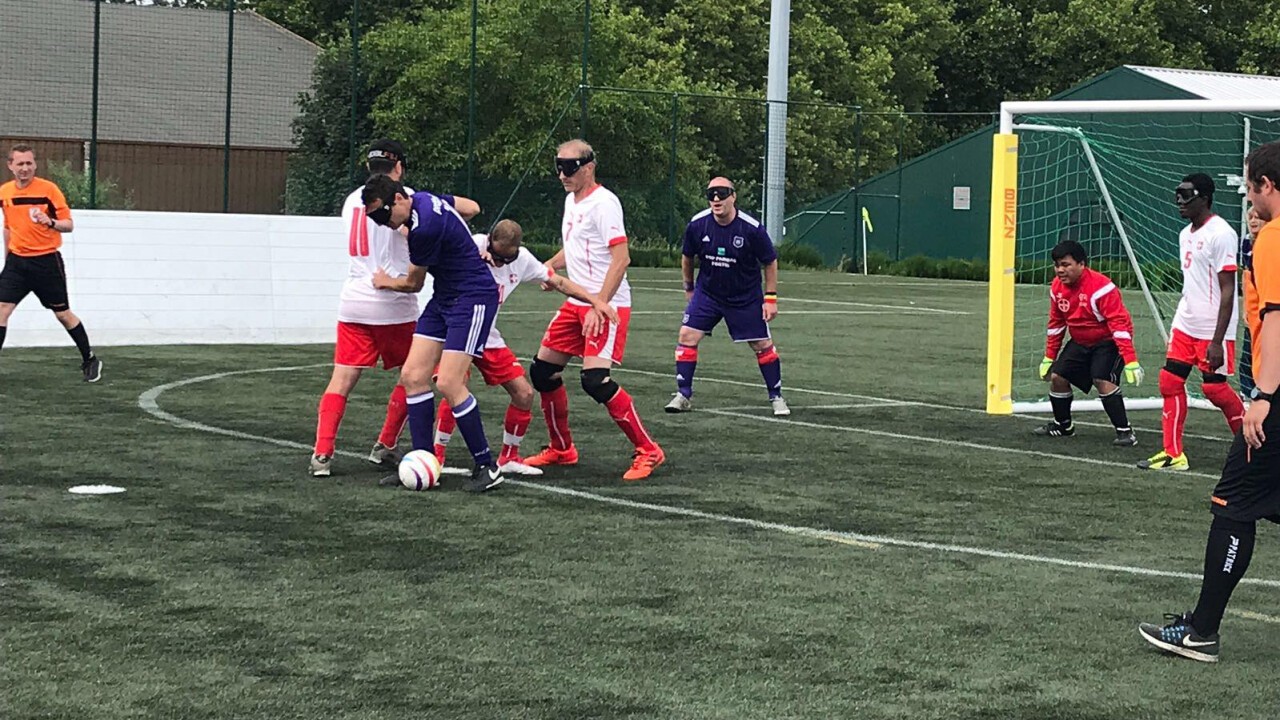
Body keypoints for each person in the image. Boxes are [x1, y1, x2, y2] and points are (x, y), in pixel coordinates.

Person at [1138, 140, 1280, 663]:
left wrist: (1262, 395)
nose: (1250, 201)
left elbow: (1276, 321)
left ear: (1266, 186)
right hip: (1240, 363)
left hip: (1275, 393)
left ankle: (1201, 632)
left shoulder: (1269, 239)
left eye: (1251, 188)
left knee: (1232, 506)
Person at [309, 140, 480, 477]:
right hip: (394, 302)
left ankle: (322, 454)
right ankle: (386, 444)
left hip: (353, 302)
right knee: (416, 375)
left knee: (341, 379)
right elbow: (470, 209)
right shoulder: (405, 199)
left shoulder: (351, 201)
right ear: (398, 168)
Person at [523, 139, 665, 481]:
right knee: (542, 372)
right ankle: (562, 449)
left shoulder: (605, 203)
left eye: (569, 168)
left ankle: (649, 450)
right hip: (578, 302)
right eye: (557, 166)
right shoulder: (572, 201)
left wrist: (600, 304)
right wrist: (549, 268)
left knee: (595, 381)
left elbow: (622, 258)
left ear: (589, 166)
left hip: (607, 304)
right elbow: (573, 247)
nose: (561, 175)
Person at [433, 219, 618, 475]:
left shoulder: (523, 259)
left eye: (506, 260)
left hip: (488, 334)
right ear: (489, 241)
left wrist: (595, 301)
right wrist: (471, 256)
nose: (499, 263)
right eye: (496, 256)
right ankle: (437, 457)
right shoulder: (472, 244)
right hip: (457, 326)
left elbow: (560, 283)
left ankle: (509, 457)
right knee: (455, 386)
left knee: (524, 393)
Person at [362, 174, 503, 493]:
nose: (382, 223)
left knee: (450, 381)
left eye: (383, 215)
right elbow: (466, 208)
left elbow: (413, 284)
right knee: (412, 376)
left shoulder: (423, 230)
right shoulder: (423, 199)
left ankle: (486, 466)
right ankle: (424, 460)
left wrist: (385, 281)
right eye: (374, 219)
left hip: (472, 296)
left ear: (398, 199)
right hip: (446, 296)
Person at [1138, 174, 1244, 472]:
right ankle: (1173, 454)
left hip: (1213, 328)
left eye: (1187, 195)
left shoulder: (1221, 233)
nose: (1179, 201)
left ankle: (1252, 449)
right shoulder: (1185, 234)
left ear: (1205, 198)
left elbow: (1228, 290)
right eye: (1177, 194)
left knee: (1214, 389)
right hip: (1185, 323)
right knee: (1169, 381)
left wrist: (1217, 340)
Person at [665, 177, 788, 415]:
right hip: (708, 294)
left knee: (762, 344)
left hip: (745, 296)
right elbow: (687, 256)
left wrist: (770, 297)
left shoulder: (751, 228)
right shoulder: (697, 225)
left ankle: (776, 396)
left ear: (733, 196)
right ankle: (683, 395)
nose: (716, 199)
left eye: (721, 193)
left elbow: (770, 261)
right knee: (687, 335)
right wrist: (688, 287)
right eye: (711, 194)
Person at [0, 144, 102, 381]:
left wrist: (50, 222)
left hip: (46, 261)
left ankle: (90, 358)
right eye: (20, 164)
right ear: (10, 166)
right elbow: (8, 227)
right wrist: (8, 261)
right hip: (17, 263)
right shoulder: (5, 192)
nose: (25, 168)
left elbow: (69, 224)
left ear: (35, 164)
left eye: (29, 163)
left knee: (63, 314)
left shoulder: (49, 190)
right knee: (2, 310)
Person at [1033, 240, 1143, 444]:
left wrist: (1130, 360)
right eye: (1057, 265)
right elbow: (1056, 324)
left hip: (1108, 340)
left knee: (1102, 380)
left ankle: (1125, 432)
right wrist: (1049, 357)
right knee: (1057, 377)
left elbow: (1118, 324)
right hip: (1080, 340)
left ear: (1082, 264)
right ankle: (1063, 426)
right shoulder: (1056, 288)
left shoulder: (1102, 288)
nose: (1060, 270)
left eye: (1066, 265)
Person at [1238, 206, 1263, 400]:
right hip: (1255, 305)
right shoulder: (1247, 241)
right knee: (1249, 348)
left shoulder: (1272, 239)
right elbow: (1246, 274)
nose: (1253, 221)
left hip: (1269, 303)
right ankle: (1247, 392)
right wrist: (1246, 305)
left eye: (1257, 217)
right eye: (1250, 217)